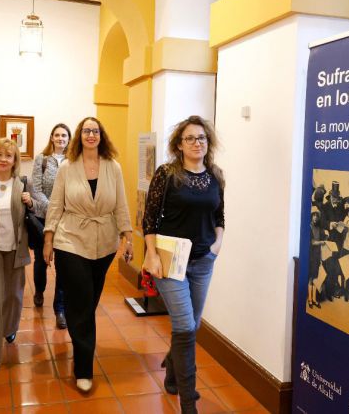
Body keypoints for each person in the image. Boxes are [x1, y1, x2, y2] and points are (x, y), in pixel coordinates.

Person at [43, 117, 133, 393]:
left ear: (101, 135)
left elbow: (120, 205)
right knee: (81, 300)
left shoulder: (113, 167)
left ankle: (78, 329)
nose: (90, 135)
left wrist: (127, 236)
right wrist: (48, 239)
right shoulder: (67, 168)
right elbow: (56, 205)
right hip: (70, 239)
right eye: (86, 131)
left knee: (86, 302)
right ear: (79, 137)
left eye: (95, 131)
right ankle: (84, 368)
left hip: (104, 243)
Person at [142, 115, 225, 414]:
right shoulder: (167, 174)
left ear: (208, 142)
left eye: (201, 137)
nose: (196, 143)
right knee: (185, 327)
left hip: (203, 261)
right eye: (190, 138)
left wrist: (218, 243)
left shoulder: (215, 175)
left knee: (192, 325)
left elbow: (220, 217)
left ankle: (172, 368)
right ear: (179, 144)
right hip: (170, 261)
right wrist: (151, 254)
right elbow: (149, 219)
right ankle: (188, 403)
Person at [0, 138, 32, 374]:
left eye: (8, 156)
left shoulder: (21, 185)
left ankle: (10, 327)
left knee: (13, 295)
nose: (3, 159)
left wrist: (30, 203)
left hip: (15, 249)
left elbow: (35, 214)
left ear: (14, 161)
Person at [30, 123, 71, 329]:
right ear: (52, 138)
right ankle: (39, 291)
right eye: (57, 135)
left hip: (67, 221)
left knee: (63, 264)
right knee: (41, 260)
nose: (61, 138)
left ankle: (60, 309)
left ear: (69, 138)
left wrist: (63, 213)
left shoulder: (74, 161)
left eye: (64, 135)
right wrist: (53, 211)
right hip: (43, 217)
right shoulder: (42, 160)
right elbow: (35, 190)